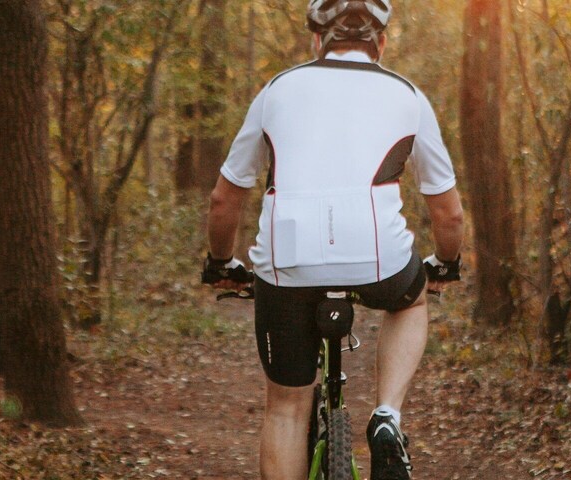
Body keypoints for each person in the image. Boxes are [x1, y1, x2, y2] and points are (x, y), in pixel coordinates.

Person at [199, 1, 465, 478]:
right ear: (380, 44)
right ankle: (386, 415)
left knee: (285, 407)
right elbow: (448, 213)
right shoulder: (408, 96)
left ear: (316, 40)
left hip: (287, 262)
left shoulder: (277, 90)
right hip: (379, 259)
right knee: (411, 300)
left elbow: (224, 200)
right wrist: (445, 264)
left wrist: (221, 263)